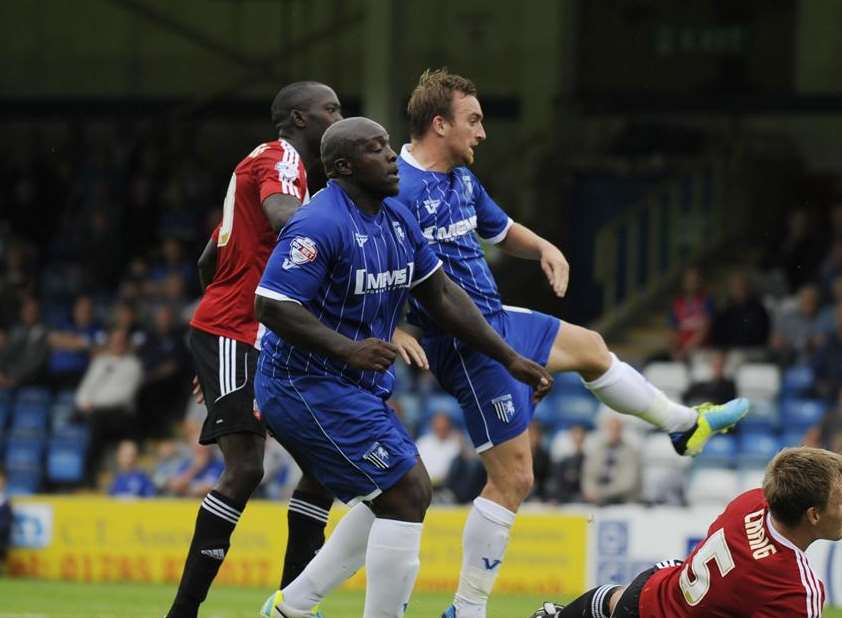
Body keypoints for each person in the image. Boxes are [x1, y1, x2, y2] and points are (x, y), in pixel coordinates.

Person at [394, 68, 750, 618]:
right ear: (439, 124)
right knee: (514, 476)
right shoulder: (397, 189)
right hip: (466, 342)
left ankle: (685, 425)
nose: (483, 132)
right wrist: (390, 326)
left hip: (499, 319)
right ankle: (465, 610)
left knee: (591, 348)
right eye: (474, 120)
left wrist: (542, 248)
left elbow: (499, 228)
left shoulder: (461, 179)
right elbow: (372, 267)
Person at [255, 117, 551, 618]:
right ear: (344, 167)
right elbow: (272, 304)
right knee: (407, 491)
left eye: (389, 146)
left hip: (353, 386)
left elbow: (441, 294)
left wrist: (508, 356)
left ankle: (293, 607)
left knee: (391, 494)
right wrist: (347, 350)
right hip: (301, 384)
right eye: (377, 149)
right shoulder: (319, 223)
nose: (392, 156)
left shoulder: (396, 216)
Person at [165, 81, 349, 618]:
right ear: (298, 116)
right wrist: (222, 342)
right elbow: (283, 218)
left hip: (257, 337)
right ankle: (183, 611)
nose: (338, 116)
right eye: (330, 108)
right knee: (245, 468)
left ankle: (292, 605)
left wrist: (215, 353)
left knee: (322, 464)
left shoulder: (275, 170)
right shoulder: (281, 157)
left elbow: (207, 259)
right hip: (239, 332)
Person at [532, 446, 837, 617]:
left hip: (651, 593)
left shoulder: (750, 502)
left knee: (620, 596)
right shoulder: (798, 591)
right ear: (813, 514)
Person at [581, 416, 641, 506]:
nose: (613, 432)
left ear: (621, 431)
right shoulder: (597, 450)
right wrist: (590, 491)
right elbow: (588, 474)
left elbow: (627, 484)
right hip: (596, 502)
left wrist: (601, 493)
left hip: (622, 502)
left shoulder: (630, 452)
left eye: (617, 429)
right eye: (610, 429)